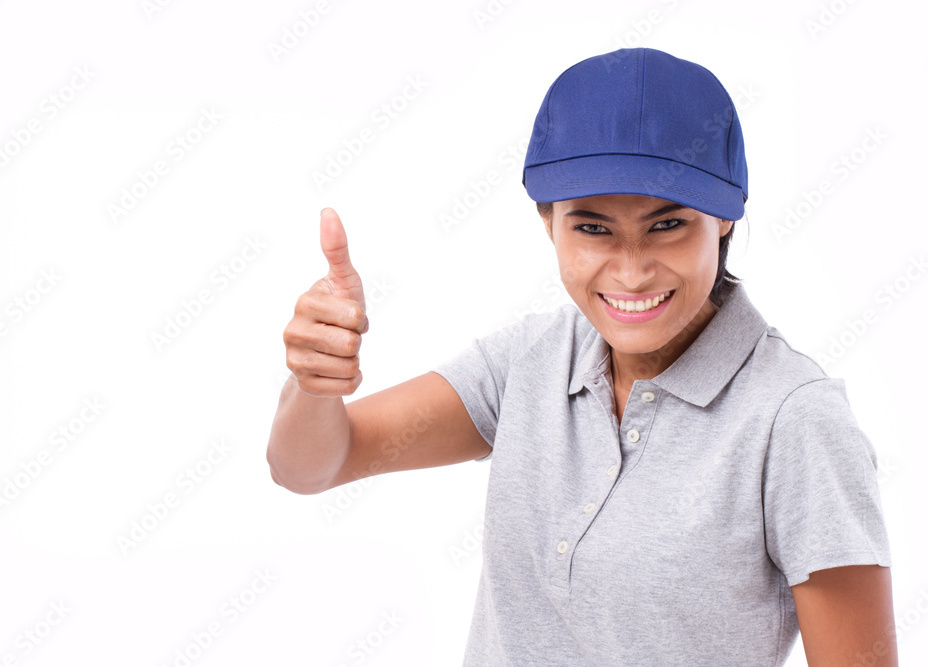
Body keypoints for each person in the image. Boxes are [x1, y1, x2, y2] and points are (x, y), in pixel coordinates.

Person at [268, 47, 897, 665]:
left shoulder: (795, 421)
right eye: (592, 228)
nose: (630, 271)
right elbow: (313, 467)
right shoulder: (531, 362)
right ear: (549, 223)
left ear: (726, 217)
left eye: (667, 225)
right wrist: (314, 385)